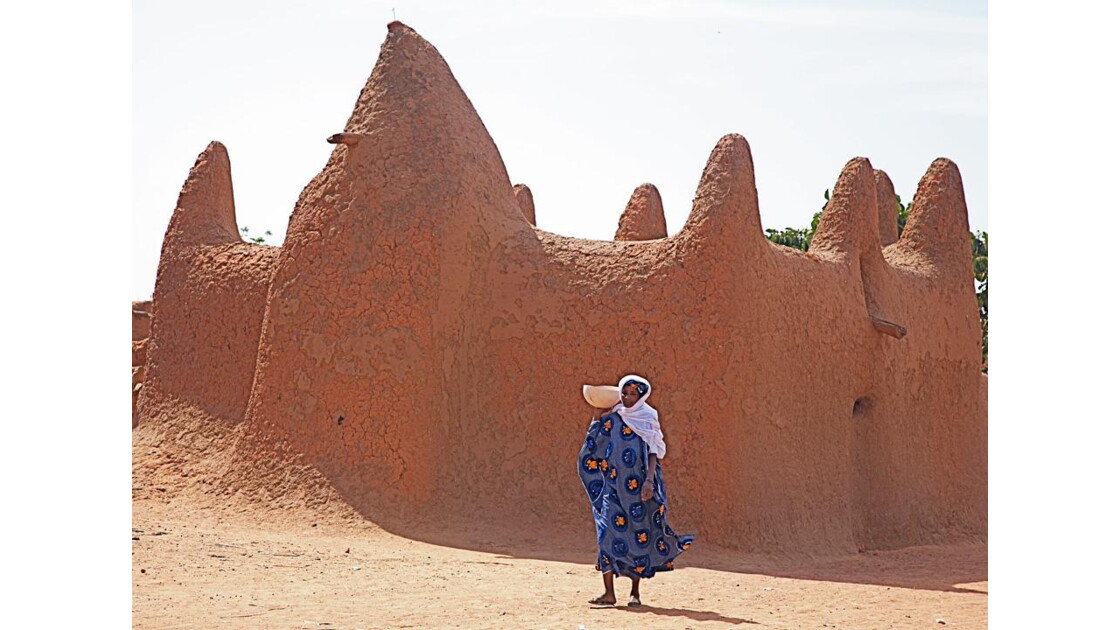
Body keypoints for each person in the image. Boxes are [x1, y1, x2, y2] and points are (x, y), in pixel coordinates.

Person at [578, 374, 694, 607]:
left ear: (642, 396)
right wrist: (598, 414)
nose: (628, 398)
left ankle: (635, 593)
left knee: (638, 536)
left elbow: (653, 451)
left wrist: (649, 482)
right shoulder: (615, 417)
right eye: (625, 393)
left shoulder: (648, 417)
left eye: (633, 394)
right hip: (613, 486)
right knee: (605, 535)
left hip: (638, 488)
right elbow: (595, 442)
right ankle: (608, 593)